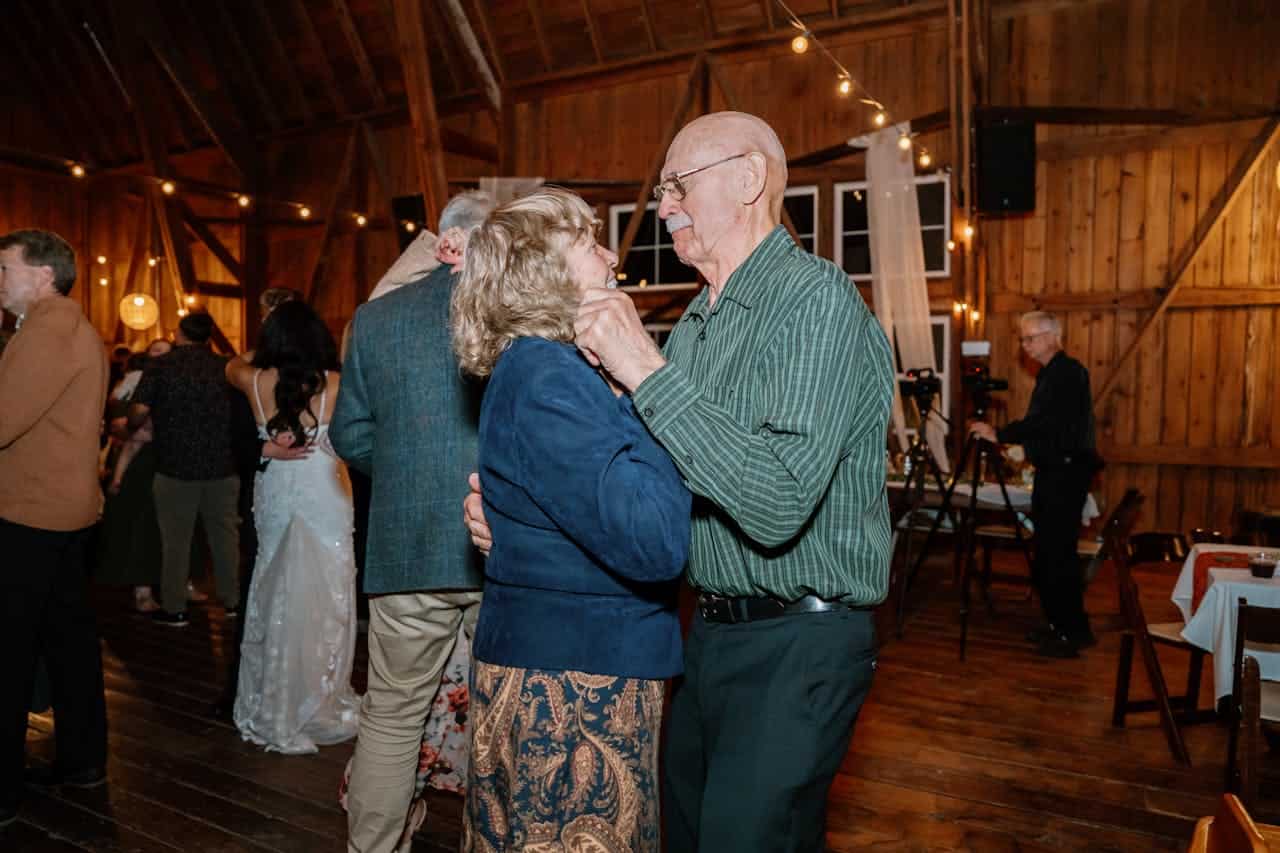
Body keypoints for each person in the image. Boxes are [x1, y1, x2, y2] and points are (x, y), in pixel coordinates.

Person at [466, 111, 896, 852]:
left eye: (676, 186)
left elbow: (776, 501)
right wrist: (525, 521)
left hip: (799, 639)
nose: (661, 206)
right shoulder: (697, 323)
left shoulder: (815, 300)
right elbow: (642, 482)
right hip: (708, 636)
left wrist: (644, 370)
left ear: (748, 178)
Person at [452, 186, 690, 852]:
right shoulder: (547, 374)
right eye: (588, 240)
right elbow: (657, 540)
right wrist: (642, 380)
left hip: (560, 668)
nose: (611, 254)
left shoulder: (541, 370)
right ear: (538, 266)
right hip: (574, 689)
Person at [331, 190, 495, 853]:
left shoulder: (376, 318)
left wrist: (401, 474)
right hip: (501, 542)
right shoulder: (518, 312)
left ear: (443, 240)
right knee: (498, 717)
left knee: (392, 715)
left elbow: (350, 434)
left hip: (405, 545)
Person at [0, 229, 110, 827]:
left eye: (3, 268)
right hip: (67, 511)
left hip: (28, 513)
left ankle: (2, 792)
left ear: (43, 275)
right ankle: (83, 759)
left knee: (10, 650)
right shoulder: (72, 325)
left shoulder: (44, 329)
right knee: (68, 642)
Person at [224, 300, 361, 753]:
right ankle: (318, 698)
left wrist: (264, 349)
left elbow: (231, 364)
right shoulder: (338, 385)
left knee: (274, 585)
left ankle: (274, 699)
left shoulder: (254, 381)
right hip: (325, 487)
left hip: (279, 489)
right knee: (327, 590)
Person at [970, 311, 1100, 658]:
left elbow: (1040, 424)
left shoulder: (1067, 373)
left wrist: (999, 434)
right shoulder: (1054, 374)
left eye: (1029, 338)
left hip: (1064, 474)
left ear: (1050, 337)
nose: (1025, 345)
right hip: (1057, 472)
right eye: (1023, 339)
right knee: (1051, 555)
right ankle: (1063, 625)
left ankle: (1070, 632)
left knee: (1056, 557)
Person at [129, 312, 242, 626]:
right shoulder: (226, 367)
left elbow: (139, 412)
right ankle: (232, 602)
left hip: (174, 466)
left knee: (175, 541)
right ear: (208, 336)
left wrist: (131, 425)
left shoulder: (161, 366)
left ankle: (175, 607)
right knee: (225, 539)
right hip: (221, 464)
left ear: (178, 334)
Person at [98, 338, 171, 612]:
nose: (160, 357)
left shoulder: (169, 381)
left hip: (161, 458)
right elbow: (121, 424)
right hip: (138, 461)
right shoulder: (135, 382)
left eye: (165, 352)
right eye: (155, 352)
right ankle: (140, 585)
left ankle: (156, 582)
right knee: (139, 522)